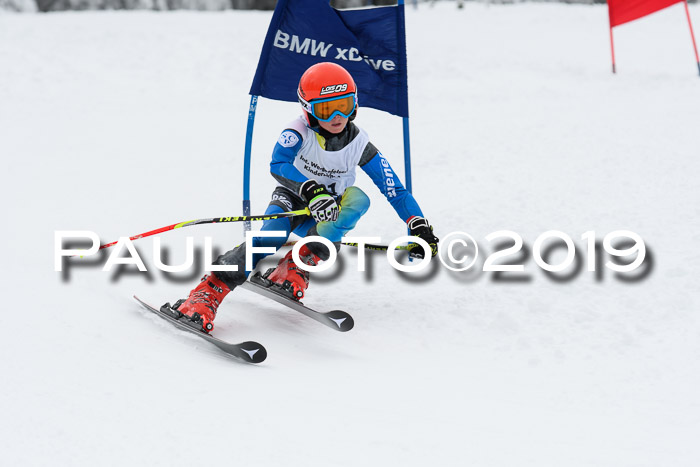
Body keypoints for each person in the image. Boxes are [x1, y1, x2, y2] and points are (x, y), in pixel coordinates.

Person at [171, 62, 439, 333]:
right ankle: (207, 291)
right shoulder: (297, 131)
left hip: (327, 210)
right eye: (325, 109)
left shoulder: (359, 144)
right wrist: (309, 189)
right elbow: (278, 164)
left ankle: (293, 267)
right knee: (270, 237)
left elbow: (395, 190)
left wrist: (417, 226)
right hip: (294, 197)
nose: (336, 116)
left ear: (354, 104)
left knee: (354, 205)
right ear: (308, 110)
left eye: (344, 105)